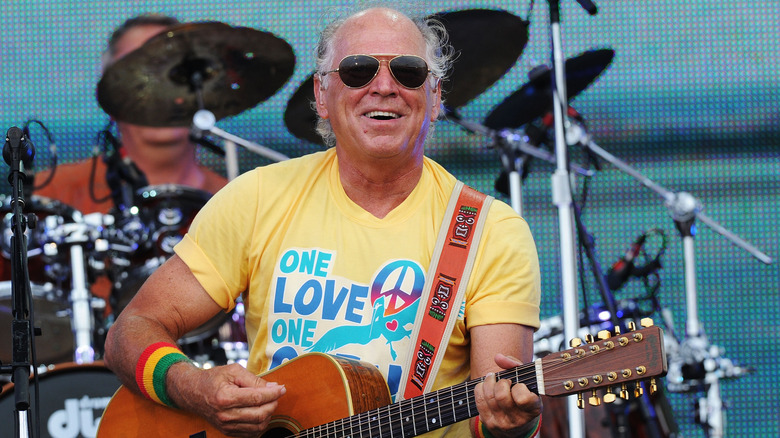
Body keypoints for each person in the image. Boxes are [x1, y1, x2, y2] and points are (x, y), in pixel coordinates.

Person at [104, 6, 542, 438]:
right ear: (321, 95)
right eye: (357, 70)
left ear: (435, 95)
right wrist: (194, 387)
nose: (384, 86)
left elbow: (498, 413)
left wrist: (512, 426)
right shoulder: (257, 197)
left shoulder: (491, 231)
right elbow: (130, 330)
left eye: (409, 71)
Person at [34, 13, 227, 214]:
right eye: (137, 73)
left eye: (176, 73)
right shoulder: (47, 195)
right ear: (109, 97)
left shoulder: (240, 207)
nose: (159, 89)